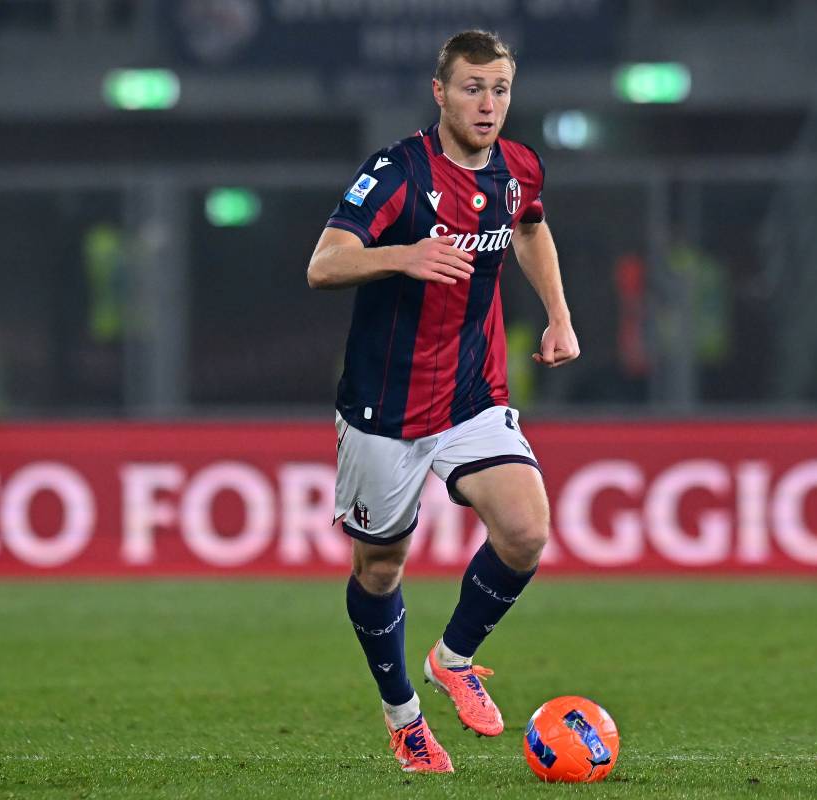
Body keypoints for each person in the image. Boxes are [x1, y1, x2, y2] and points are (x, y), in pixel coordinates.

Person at [306, 30, 579, 774]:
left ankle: (453, 660)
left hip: (471, 394)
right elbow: (323, 264)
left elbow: (530, 225)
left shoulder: (519, 167)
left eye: (499, 90)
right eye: (472, 89)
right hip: (384, 409)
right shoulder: (396, 172)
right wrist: (403, 254)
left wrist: (556, 312)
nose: (488, 105)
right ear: (440, 92)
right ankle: (404, 720)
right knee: (380, 568)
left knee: (525, 531)